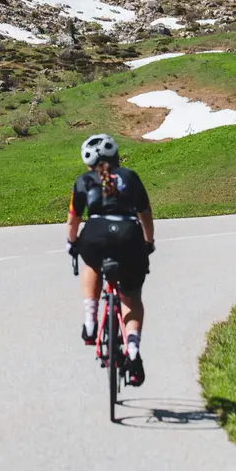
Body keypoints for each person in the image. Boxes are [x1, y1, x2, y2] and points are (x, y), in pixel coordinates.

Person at [67, 133, 155, 387]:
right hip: (129, 237)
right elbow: (145, 214)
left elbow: (74, 219)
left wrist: (72, 242)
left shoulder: (83, 180)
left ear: (88, 164)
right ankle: (134, 350)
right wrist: (148, 242)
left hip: (95, 235)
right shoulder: (130, 177)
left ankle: (90, 321)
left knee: (92, 265)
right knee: (131, 298)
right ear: (117, 157)